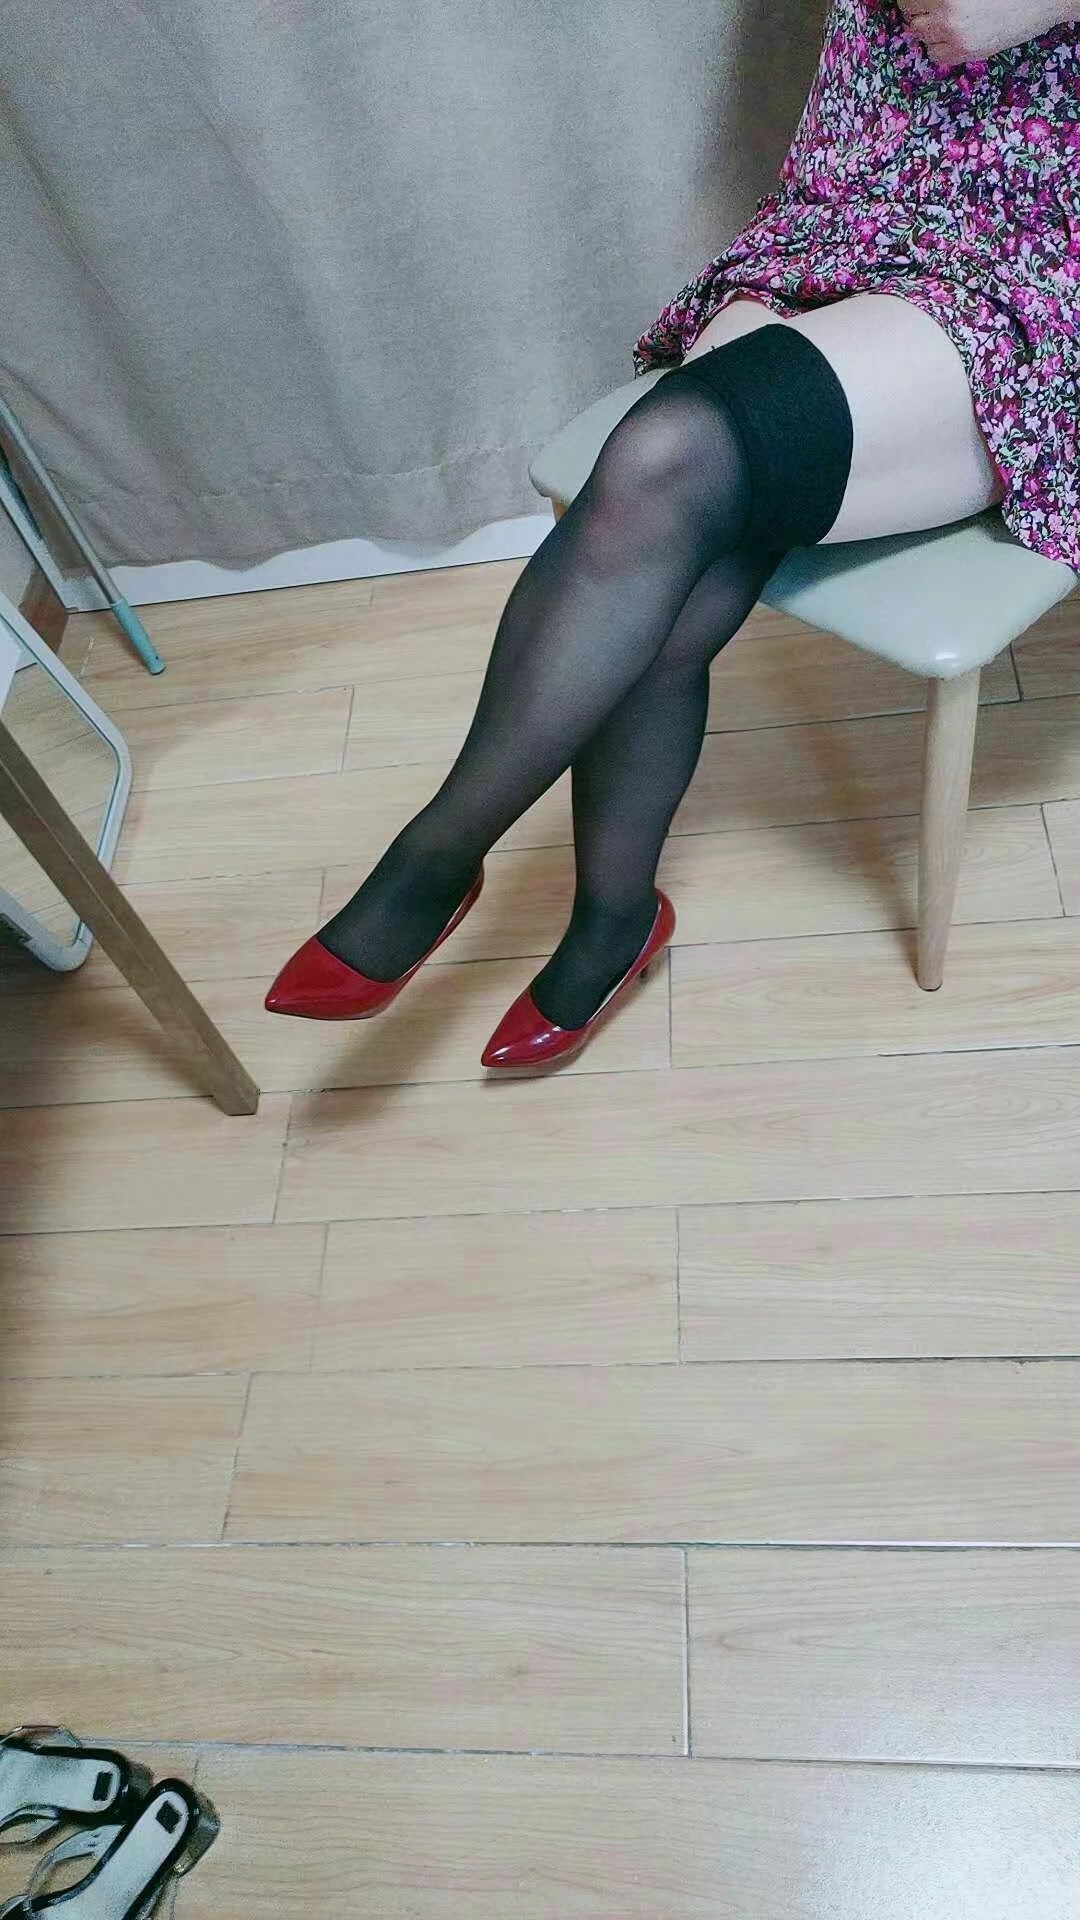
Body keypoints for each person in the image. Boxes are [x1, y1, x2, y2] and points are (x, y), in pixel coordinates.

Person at [267, 0, 1078, 1068]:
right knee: (672, 556)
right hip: (851, 201)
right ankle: (612, 916)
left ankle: (439, 860)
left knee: (669, 463)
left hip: (1033, 250)